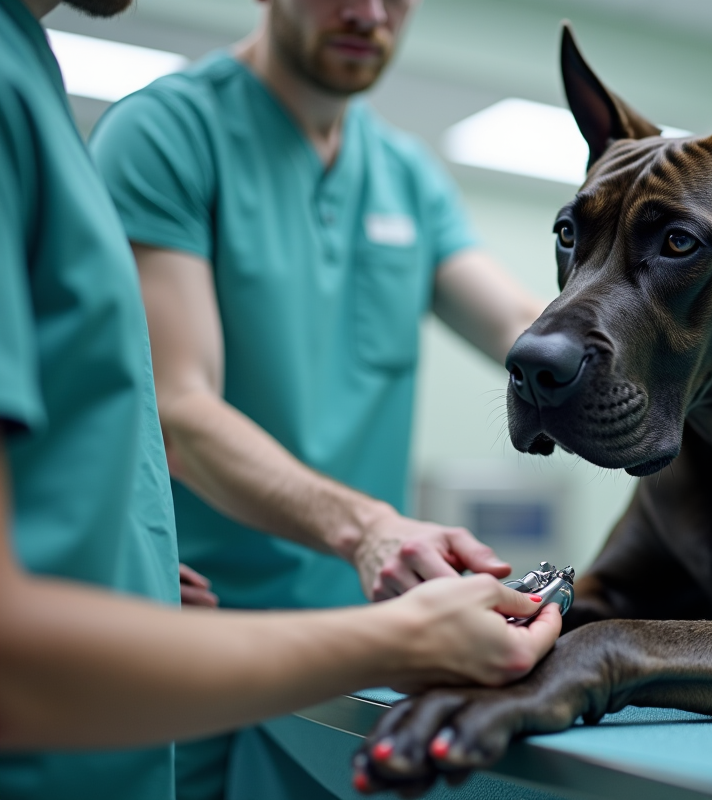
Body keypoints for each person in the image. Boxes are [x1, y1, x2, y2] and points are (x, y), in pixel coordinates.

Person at [0, 1, 561, 799]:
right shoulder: (168, 132)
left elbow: (525, 328)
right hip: (192, 654)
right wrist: (369, 530)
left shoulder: (407, 178)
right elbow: (180, 407)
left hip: (365, 664)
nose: (367, 13)